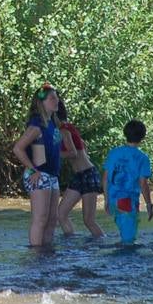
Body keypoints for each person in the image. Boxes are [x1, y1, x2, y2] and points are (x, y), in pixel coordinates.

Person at [12, 83, 66, 248]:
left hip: (52, 175)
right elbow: (18, 148)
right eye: (52, 98)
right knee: (40, 218)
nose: (56, 100)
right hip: (39, 174)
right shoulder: (37, 124)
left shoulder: (52, 123)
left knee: (52, 220)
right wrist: (32, 169)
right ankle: (36, 255)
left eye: (56, 97)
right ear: (41, 103)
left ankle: (46, 253)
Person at [55, 99, 105, 238]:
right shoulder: (69, 127)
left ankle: (102, 244)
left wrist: (52, 154)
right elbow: (83, 145)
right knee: (61, 214)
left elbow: (73, 152)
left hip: (88, 174)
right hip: (80, 175)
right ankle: (71, 242)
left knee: (89, 221)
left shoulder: (64, 130)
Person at [102, 119, 153, 244]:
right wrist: (149, 205)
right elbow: (143, 184)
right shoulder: (142, 158)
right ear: (143, 137)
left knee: (124, 235)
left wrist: (106, 199)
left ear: (125, 134)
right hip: (128, 201)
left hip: (114, 200)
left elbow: (105, 178)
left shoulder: (114, 153)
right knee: (128, 242)